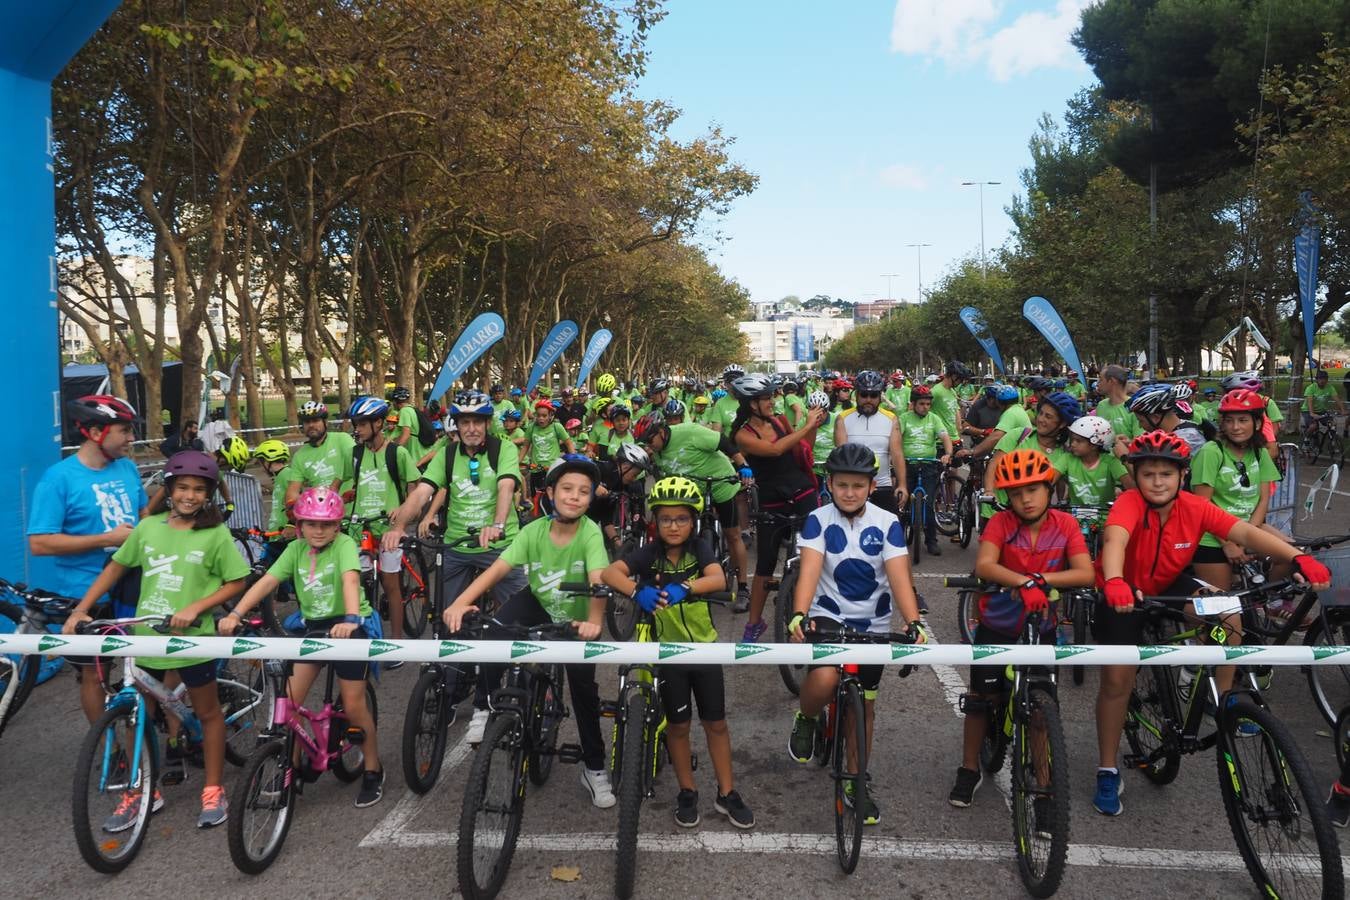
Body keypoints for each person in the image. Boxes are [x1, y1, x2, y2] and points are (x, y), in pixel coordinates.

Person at [1091, 430, 1331, 817]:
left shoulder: (1193, 506)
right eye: (1148, 473)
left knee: (1227, 613)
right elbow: (1116, 540)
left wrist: (1297, 557)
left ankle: (1222, 700)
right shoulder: (1128, 504)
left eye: (1166, 474)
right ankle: (1107, 767)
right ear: (1135, 476)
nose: (1156, 482)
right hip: (1124, 593)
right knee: (1117, 683)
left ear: (1182, 476)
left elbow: (1244, 532)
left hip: (1170, 584)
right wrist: (1116, 580)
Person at [65, 450, 249, 829]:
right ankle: (143, 789)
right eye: (182, 487)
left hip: (191, 641)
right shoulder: (148, 529)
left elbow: (236, 581)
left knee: (208, 713)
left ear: (209, 494)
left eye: (199, 489)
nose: (189, 495)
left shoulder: (215, 534)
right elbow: (117, 566)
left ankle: (213, 790)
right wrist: (81, 609)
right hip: (145, 638)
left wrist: (198, 607)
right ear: (168, 489)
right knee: (137, 716)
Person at [442, 455, 617, 808]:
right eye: (567, 489)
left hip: (578, 614)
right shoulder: (533, 530)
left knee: (584, 693)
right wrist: (460, 602)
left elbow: (599, 582)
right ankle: (489, 706)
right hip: (539, 602)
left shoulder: (590, 533)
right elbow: (499, 569)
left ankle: (595, 768)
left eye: (584, 492)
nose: (575, 496)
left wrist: (594, 623)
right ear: (550, 492)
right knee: (493, 634)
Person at [601, 476, 755, 829]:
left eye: (682, 519)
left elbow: (718, 578)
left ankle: (727, 792)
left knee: (716, 723)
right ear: (655, 521)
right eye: (666, 519)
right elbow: (612, 572)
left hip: (703, 651)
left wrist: (687, 586)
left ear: (694, 521)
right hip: (668, 655)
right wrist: (636, 590)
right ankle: (687, 790)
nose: (673, 526)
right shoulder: (649, 553)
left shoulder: (699, 548)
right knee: (679, 726)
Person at [785, 443, 926, 826]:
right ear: (829, 484)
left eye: (858, 486)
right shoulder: (817, 519)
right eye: (842, 485)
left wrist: (913, 621)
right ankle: (808, 718)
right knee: (826, 677)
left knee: (863, 707)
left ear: (870, 486)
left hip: (873, 627)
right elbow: (810, 569)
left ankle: (856, 781)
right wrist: (799, 614)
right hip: (828, 619)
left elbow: (899, 577)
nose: (850, 492)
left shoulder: (887, 522)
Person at [220, 487, 384, 807]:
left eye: (326, 525)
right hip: (313, 627)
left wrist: (351, 619)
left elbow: (351, 580)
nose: (318, 531)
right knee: (289, 704)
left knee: (353, 705)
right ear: (300, 526)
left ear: (337, 526)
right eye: (311, 524)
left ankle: (373, 769)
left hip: (350, 627)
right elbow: (267, 581)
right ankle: (289, 769)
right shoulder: (295, 549)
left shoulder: (345, 545)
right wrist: (237, 613)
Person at [948, 449, 1094, 809]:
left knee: (1043, 714)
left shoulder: (1066, 525)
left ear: (1049, 488)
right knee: (981, 700)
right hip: (997, 624)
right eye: (1015, 493)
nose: (1025, 500)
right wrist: (1024, 584)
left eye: (1033, 490)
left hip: (1041, 626)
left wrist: (1040, 580)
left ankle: (1043, 785)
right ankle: (969, 767)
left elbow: (1085, 572)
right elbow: (985, 565)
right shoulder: (1000, 524)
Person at [383, 391, 528, 740]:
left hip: (499, 545)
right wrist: (399, 526)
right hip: (458, 546)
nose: (472, 428)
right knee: (449, 618)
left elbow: (507, 485)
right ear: (457, 426)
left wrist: (497, 522)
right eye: (465, 421)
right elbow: (422, 493)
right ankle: (450, 688)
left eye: (478, 421)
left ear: (487, 423)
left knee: (519, 617)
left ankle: (522, 678)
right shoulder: (447, 455)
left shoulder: (502, 448)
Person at [29, 395, 150, 724]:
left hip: (137, 587)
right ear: (96, 432)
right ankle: (109, 745)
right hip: (84, 593)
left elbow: (143, 516)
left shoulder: (126, 467)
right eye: (124, 430)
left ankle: (144, 741)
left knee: (144, 669)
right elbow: (39, 543)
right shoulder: (59, 478)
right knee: (93, 674)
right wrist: (106, 539)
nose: (131, 438)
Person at [731, 373, 827, 638]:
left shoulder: (781, 420)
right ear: (752, 404)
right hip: (772, 501)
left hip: (803, 492)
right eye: (767, 398)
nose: (773, 401)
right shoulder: (743, 435)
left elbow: (804, 448)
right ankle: (754, 624)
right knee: (765, 563)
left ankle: (818, 611)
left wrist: (814, 425)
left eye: (773, 396)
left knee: (813, 555)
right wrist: (805, 426)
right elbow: (774, 450)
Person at [635, 409, 753, 612]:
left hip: (720, 483)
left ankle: (743, 588)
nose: (649, 446)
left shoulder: (689, 432)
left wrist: (743, 465)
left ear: (661, 431)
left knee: (733, 535)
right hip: (691, 493)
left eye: (650, 440)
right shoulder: (656, 453)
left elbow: (723, 442)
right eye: (644, 442)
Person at [346, 396, 420, 650]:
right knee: (355, 582)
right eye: (356, 424)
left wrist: (402, 508)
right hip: (359, 529)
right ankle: (360, 639)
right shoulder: (354, 454)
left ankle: (396, 644)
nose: (358, 429)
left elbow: (414, 488)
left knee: (391, 585)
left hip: (389, 529)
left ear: (378, 423)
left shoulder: (396, 453)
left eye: (362, 424)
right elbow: (343, 484)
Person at [833, 370, 906, 516]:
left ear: (880, 396)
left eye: (873, 395)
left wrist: (902, 485)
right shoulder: (842, 418)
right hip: (853, 488)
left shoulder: (891, 419)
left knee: (891, 531)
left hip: (882, 486)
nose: (868, 399)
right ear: (856, 395)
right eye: (864, 395)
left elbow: (897, 454)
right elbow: (842, 457)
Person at [897, 384, 953, 557]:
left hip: (929, 465)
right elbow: (896, 440)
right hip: (907, 464)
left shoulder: (934, 418)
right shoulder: (904, 418)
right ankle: (897, 539)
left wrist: (948, 454)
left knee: (928, 505)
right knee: (901, 502)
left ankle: (931, 541)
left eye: (928, 404)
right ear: (913, 404)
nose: (925, 407)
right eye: (921, 404)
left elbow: (945, 436)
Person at [1060, 415, 1131, 519]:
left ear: (1094, 445)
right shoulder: (1067, 458)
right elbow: (1050, 478)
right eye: (1072, 440)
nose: (1073, 444)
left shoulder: (1110, 461)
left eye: (1078, 441)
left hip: (1105, 519)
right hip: (1074, 519)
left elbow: (1131, 487)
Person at [285, 400, 356, 504]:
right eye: (307, 422)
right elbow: (293, 492)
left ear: (325, 422)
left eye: (315, 420)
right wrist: (292, 505)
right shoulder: (299, 456)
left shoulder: (342, 439)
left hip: (350, 513)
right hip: (322, 515)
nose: (311, 425)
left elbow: (359, 465)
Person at [252, 439, 297, 565]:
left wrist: (291, 524)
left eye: (261, 461)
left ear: (268, 460)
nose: (261, 466)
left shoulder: (287, 474)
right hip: (276, 535)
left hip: (286, 537)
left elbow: (297, 501)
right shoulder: (279, 476)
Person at [523, 398, 576, 496]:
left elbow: (568, 443)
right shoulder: (532, 427)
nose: (541, 418)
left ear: (550, 415)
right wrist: (517, 462)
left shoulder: (557, 427)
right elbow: (525, 446)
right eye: (538, 415)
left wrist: (574, 460)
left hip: (553, 469)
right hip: (536, 469)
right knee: (537, 499)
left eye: (544, 416)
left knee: (554, 498)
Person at [1091, 365, 1137, 449]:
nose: (1098, 383)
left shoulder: (1134, 406)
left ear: (1111, 381)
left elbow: (1140, 442)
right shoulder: (1101, 405)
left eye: (1101, 379)